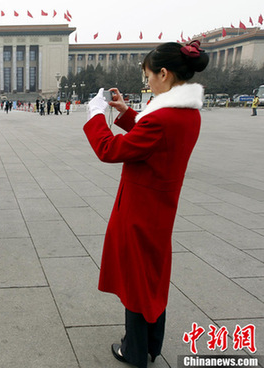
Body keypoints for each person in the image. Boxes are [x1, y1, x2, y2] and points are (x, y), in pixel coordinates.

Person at [83, 40, 209, 368]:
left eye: (149, 76)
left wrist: (96, 116)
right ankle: (152, 344)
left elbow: (109, 150)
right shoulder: (187, 113)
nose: (148, 82)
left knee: (136, 280)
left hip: (139, 210)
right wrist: (126, 113)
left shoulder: (163, 119)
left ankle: (135, 351)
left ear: (164, 74)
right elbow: (152, 136)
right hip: (160, 209)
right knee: (152, 276)